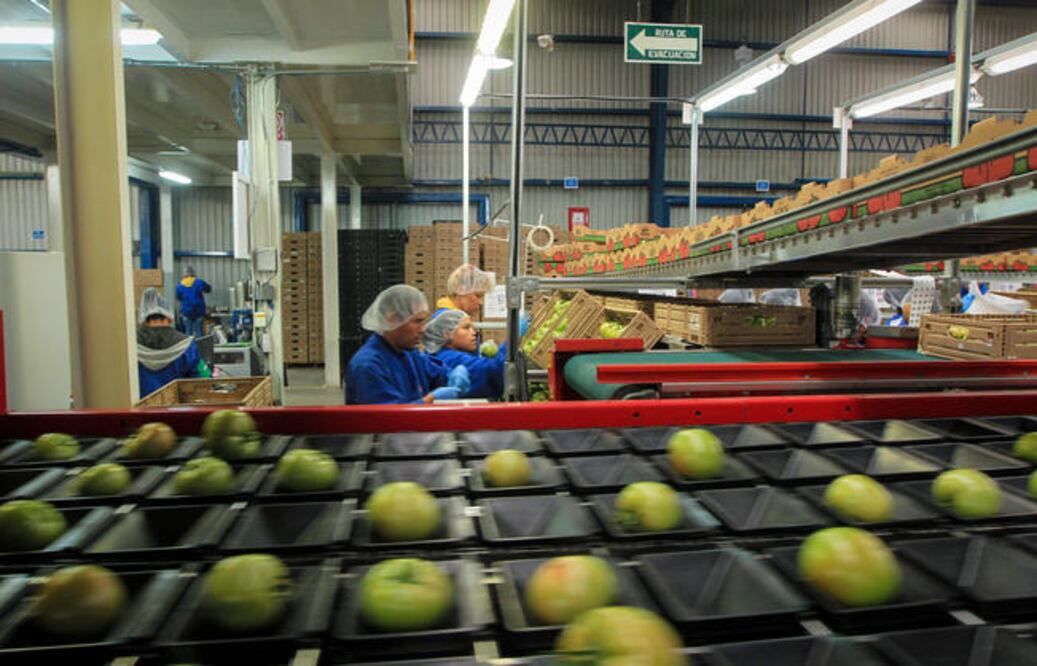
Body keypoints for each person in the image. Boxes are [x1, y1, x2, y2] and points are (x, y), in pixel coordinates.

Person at [346, 284, 471, 405]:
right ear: (392, 319)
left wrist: (453, 374)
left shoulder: (409, 353)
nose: (423, 329)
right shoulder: (369, 366)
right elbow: (388, 416)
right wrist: (430, 400)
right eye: (417, 321)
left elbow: (435, 372)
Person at [137, 288, 211, 397]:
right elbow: (202, 380)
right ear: (169, 318)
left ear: (144, 319)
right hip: (175, 406)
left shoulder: (131, 346)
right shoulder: (187, 345)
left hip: (140, 406)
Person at [422, 309, 506, 400]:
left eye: (473, 328)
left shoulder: (445, 354)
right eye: (466, 328)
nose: (474, 333)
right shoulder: (449, 358)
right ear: (447, 334)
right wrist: (509, 344)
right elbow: (492, 371)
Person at [175, 265, 212, 337]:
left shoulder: (179, 285)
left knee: (188, 333)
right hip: (199, 311)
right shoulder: (199, 282)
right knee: (199, 332)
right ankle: (199, 343)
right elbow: (208, 289)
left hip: (186, 312)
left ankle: (189, 344)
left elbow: (178, 297)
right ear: (193, 273)